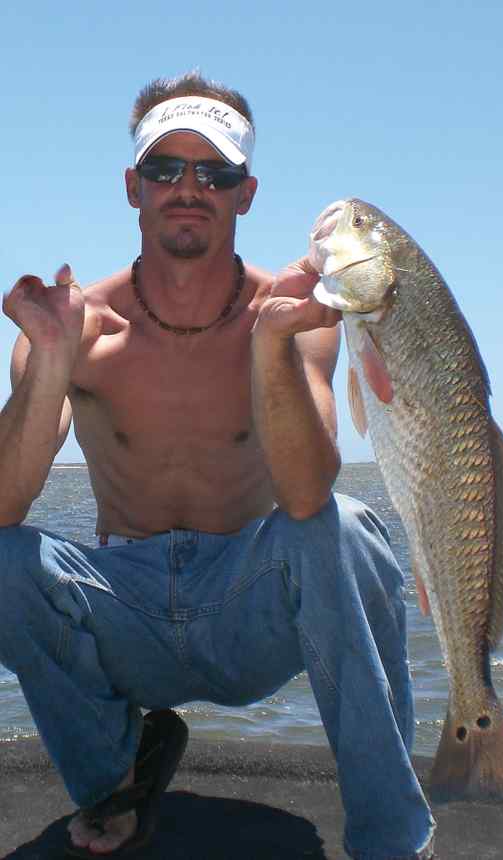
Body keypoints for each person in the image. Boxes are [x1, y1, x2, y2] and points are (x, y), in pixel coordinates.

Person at [0, 72, 435, 859]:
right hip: (124, 608)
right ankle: (114, 780)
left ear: (247, 193)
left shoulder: (297, 315)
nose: (189, 189)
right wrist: (52, 357)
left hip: (250, 609)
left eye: (216, 173)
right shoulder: (76, 324)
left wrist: (268, 346)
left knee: (346, 528)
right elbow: (4, 508)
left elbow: (306, 495)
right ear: (133, 187)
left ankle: (392, 838)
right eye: (166, 168)